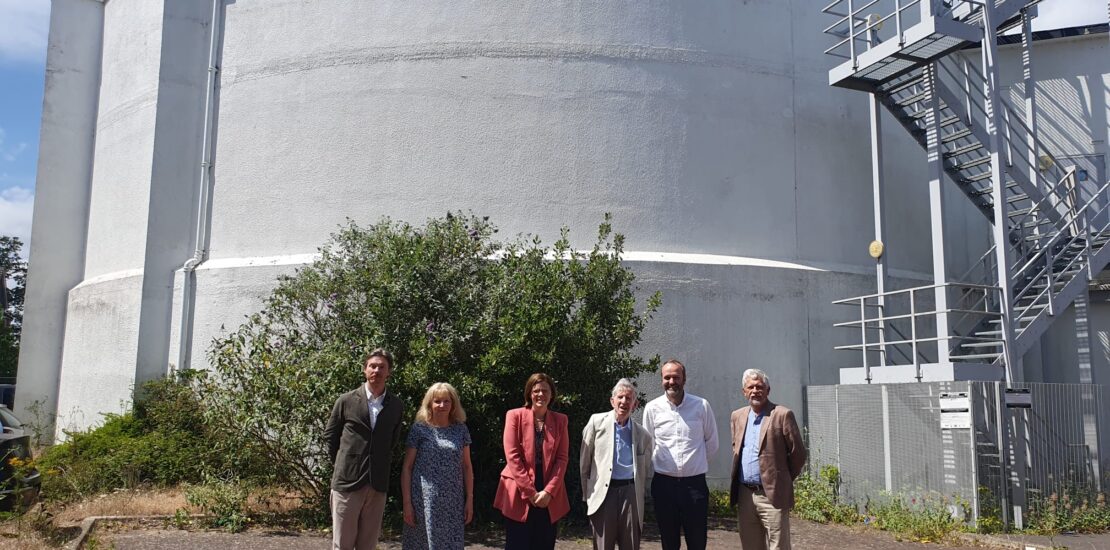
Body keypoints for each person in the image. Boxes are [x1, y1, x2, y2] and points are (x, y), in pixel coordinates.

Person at [324, 348, 404, 550]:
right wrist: (345, 464)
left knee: (368, 545)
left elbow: (392, 441)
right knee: (342, 544)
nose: (376, 370)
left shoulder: (396, 405)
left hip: (377, 484)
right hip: (347, 482)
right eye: (372, 366)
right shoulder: (346, 400)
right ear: (365, 369)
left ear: (389, 372)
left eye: (381, 367)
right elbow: (331, 437)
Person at [642, 358, 719, 550]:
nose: (671, 381)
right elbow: (648, 445)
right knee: (669, 541)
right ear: (662, 380)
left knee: (697, 541)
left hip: (694, 486)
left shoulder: (701, 406)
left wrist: (694, 464)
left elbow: (712, 442)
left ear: (684, 379)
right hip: (664, 485)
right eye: (667, 377)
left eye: (676, 377)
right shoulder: (652, 408)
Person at [729, 368, 806, 550]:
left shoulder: (782, 414)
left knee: (778, 546)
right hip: (745, 494)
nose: (755, 391)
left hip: (772, 495)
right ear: (744, 391)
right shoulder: (737, 416)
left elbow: (798, 454)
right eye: (751, 387)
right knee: (750, 545)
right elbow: (736, 448)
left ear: (768, 390)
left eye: (760, 387)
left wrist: (782, 478)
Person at [493, 373, 570, 550]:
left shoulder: (561, 420)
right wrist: (530, 492)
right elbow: (512, 456)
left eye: (545, 391)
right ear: (529, 393)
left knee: (544, 543)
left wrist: (549, 491)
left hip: (549, 490)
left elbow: (562, 458)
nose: (541, 394)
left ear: (552, 394)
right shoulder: (514, 415)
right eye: (536, 391)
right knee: (517, 544)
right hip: (519, 488)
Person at [580, 378, 654, 550]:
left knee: (630, 544)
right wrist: (587, 495)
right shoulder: (596, 423)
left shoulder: (643, 435)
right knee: (603, 545)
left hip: (630, 493)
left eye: (629, 398)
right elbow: (584, 463)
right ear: (612, 401)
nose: (624, 402)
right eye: (620, 397)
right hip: (603, 494)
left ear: (635, 404)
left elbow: (645, 471)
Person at [402, 382, 474, 550]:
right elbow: (407, 468)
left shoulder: (461, 429)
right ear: (429, 403)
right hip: (423, 502)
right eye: (437, 401)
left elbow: (467, 467)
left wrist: (469, 499)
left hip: (453, 502)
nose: (442, 405)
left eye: (446, 401)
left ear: (453, 404)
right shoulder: (419, 429)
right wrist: (407, 503)